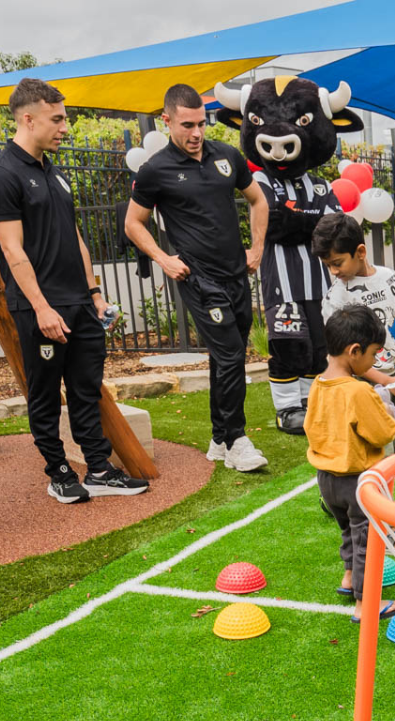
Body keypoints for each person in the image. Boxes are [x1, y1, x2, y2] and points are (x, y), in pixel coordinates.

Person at [0, 79, 148, 504]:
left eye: (64, 118)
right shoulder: (2, 174)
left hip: (79, 302)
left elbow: (75, 237)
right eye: (57, 119)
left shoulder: (53, 172)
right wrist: (41, 307)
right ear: (28, 118)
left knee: (86, 388)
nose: (65, 127)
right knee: (44, 392)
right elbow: (11, 249)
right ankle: (58, 472)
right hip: (41, 308)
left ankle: (97, 468)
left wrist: (95, 294)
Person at [125, 82, 270, 473]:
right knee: (230, 354)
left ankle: (219, 438)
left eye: (201, 124)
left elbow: (258, 199)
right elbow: (133, 224)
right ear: (166, 121)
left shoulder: (227, 156)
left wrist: (256, 249)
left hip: (235, 274)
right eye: (187, 125)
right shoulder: (155, 170)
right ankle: (237, 439)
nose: (196, 133)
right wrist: (163, 258)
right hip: (198, 279)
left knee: (226, 355)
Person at [306, 305, 395, 622]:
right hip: (358, 481)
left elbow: (311, 427)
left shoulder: (318, 384)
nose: (375, 361)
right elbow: (383, 433)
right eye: (374, 354)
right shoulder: (358, 391)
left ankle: (348, 578)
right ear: (354, 351)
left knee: (349, 533)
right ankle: (366, 604)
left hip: (327, 480)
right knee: (367, 541)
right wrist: (386, 407)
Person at [313, 213, 395, 397]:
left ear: (361, 252)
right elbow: (342, 355)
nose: (333, 271)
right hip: (356, 385)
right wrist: (387, 382)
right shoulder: (335, 299)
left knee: (390, 424)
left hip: (392, 375)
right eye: (327, 265)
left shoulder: (390, 278)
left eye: (337, 263)